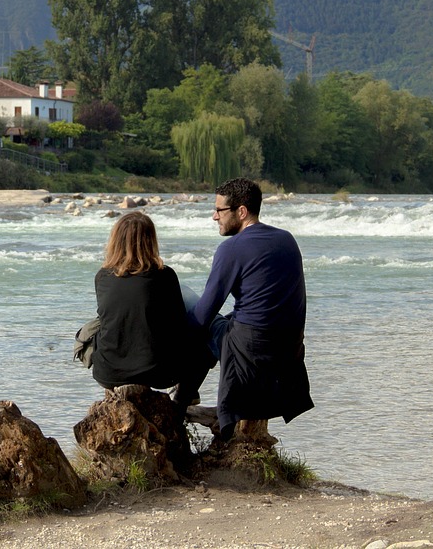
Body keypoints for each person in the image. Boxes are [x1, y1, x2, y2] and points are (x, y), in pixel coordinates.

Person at [188, 177, 313, 443]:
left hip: (252, 350)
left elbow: (203, 315)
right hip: (289, 349)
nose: (214, 217)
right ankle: (202, 403)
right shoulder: (286, 239)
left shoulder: (231, 248)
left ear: (241, 212)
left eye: (220, 210)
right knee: (229, 318)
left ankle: (183, 400)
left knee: (197, 317)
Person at [89, 211, 193, 392]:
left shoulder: (102, 276)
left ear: (115, 240)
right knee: (201, 329)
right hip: (158, 373)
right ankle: (185, 396)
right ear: (151, 241)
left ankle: (114, 397)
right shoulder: (165, 275)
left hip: (107, 373)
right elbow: (179, 326)